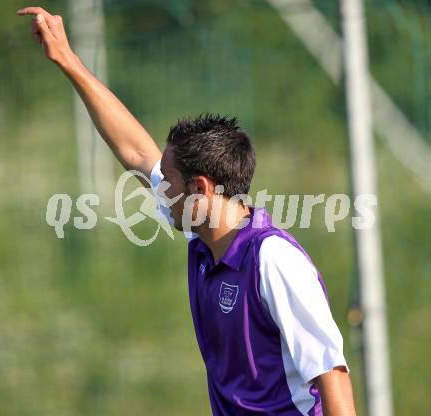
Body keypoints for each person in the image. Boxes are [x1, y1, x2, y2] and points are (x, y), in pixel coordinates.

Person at [18, 7, 357, 415]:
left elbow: (331, 375)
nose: (160, 185)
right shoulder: (205, 240)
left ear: (200, 189)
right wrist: (67, 60)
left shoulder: (273, 259)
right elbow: (137, 152)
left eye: (170, 181)